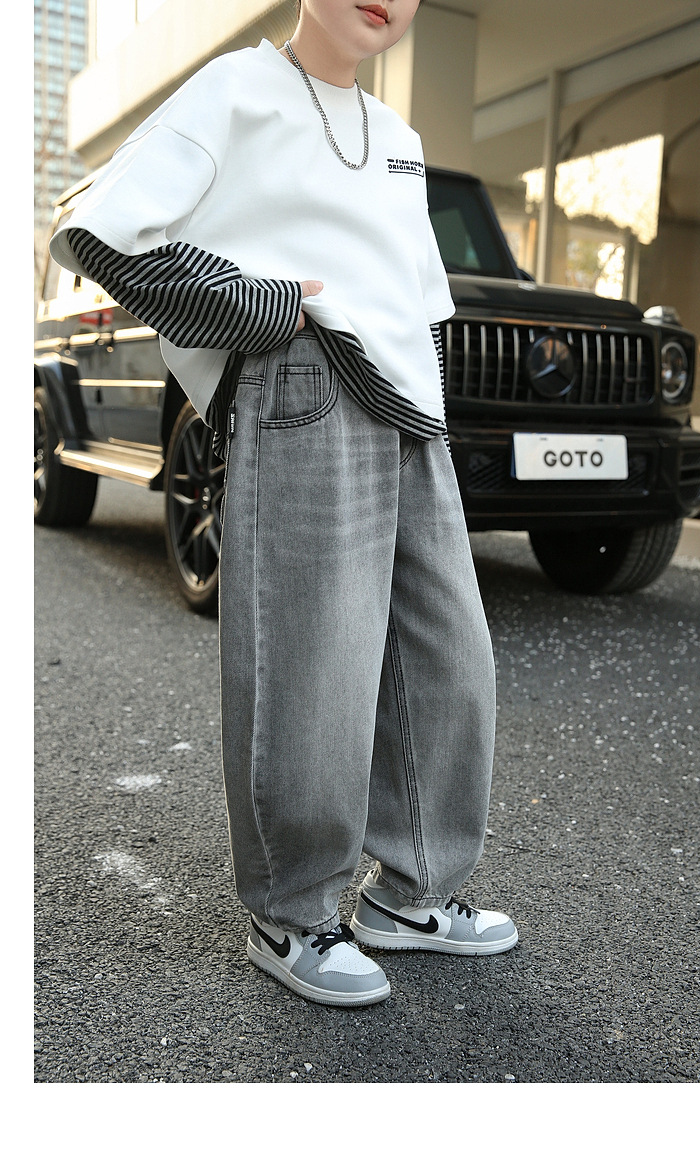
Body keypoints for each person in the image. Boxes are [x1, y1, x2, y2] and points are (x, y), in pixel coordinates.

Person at [50, 0, 517, 1007]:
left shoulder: (399, 137)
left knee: (449, 657)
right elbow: (97, 232)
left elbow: (422, 298)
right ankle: (293, 912)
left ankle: (412, 894)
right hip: (308, 387)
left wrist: (438, 415)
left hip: (410, 412)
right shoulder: (236, 89)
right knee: (312, 659)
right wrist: (259, 307)